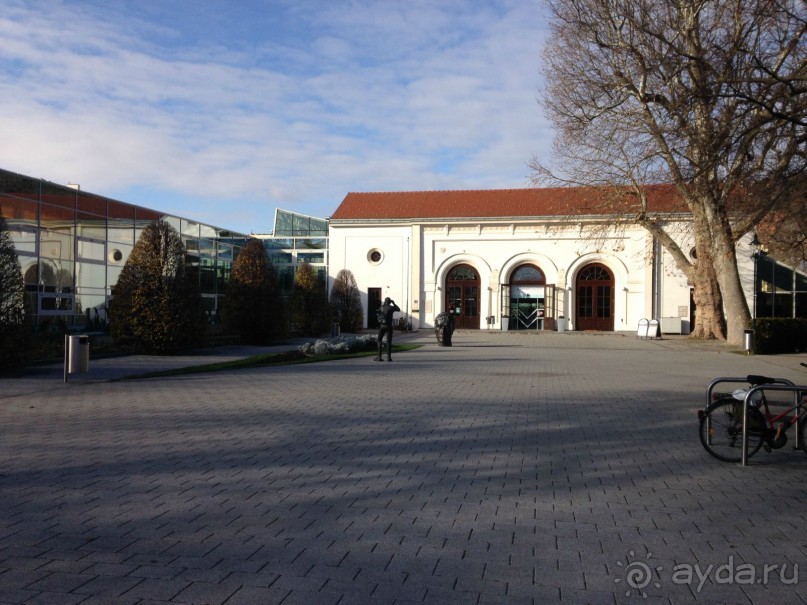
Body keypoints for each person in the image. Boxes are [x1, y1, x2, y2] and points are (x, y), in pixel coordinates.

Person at [375, 297, 401, 361]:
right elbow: (398, 309)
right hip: (389, 326)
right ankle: (389, 357)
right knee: (389, 342)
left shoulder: (382, 307)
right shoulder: (391, 308)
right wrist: (394, 303)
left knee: (379, 340)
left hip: (382, 326)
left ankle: (379, 357)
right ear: (390, 302)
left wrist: (383, 304)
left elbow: (378, 312)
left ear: (385, 301)